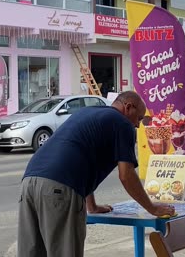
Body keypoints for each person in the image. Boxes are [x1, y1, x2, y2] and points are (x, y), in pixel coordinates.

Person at [17, 91, 176, 257]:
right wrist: (152, 208)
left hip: (29, 182)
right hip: (61, 188)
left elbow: (81, 158)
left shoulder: (89, 112)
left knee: (32, 252)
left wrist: (91, 206)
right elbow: (126, 175)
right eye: (139, 118)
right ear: (128, 107)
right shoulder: (122, 124)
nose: (138, 125)